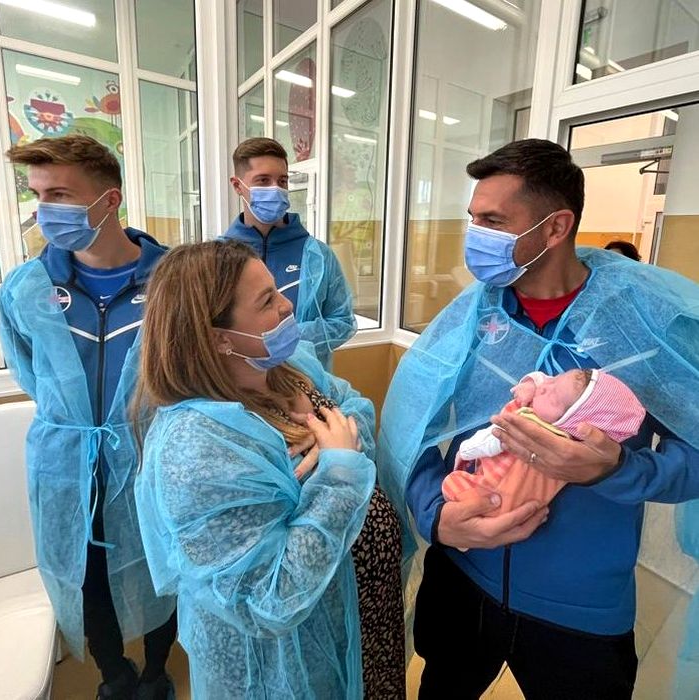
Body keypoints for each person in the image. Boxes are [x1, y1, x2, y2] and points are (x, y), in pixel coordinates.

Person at [377, 138, 699, 700]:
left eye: (493, 221)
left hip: (580, 606)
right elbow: (413, 427)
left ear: (556, 228)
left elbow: (693, 452)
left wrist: (618, 471)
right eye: (473, 218)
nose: (475, 235)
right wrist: (435, 515)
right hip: (463, 576)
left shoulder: (641, 325)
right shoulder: (474, 315)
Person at [133, 240, 405, 699]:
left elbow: (353, 406)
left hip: (362, 619)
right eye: (266, 301)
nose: (287, 305)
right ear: (217, 337)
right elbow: (269, 597)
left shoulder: (284, 367)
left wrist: (338, 434)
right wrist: (338, 472)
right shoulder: (197, 449)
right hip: (288, 665)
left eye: (277, 289)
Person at [0, 135, 177, 700]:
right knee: (84, 576)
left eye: (59, 195)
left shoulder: (174, 281)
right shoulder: (27, 288)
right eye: (37, 195)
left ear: (109, 200)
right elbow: (31, 373)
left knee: (162, 564)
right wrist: (77, 425)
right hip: (67, 463)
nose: (44, 210)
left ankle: (155, 671)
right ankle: (113, 675)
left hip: (154, 456)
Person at [221, 137, 356, 368]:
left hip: (305, 379)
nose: (276, 189)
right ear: (237, 186)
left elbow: (343, 322)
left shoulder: (318, 256)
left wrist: (289, 338)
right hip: (238, 382)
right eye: (263, 180)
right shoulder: (218, 259)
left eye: (282, 181)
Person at [443, 368, 646, 513]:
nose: (544, 387)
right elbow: (545, 380)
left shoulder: (532, 424)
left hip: (498, 491)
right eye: (556, 378)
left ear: (571, 423)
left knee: (454, 486)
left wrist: (464, 451)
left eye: (553, 398)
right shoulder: (573, 433)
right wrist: (531, 383)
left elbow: (493, 438)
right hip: (531, 508)